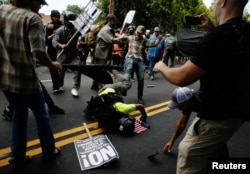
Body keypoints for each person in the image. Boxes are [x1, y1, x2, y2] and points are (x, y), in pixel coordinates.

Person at [153, 0, 250, 172]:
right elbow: (231, 52)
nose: (212, 5)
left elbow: (181, 77)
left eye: (214, 1)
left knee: (188, 154)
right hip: (237, 114)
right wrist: (214, 28)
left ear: (224, 1)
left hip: (216, 116)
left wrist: (162, 66)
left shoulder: (217, 37)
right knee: (215, 148)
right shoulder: (244, 31)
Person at [0, 0, 62, 164]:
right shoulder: (33, 19)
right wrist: (53, 64)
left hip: (5, 78)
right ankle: (49, 150)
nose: (40, 6)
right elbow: (39, 53)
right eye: (40, 2)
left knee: (19, 112)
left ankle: (17, 154)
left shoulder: (2, 10)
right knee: (41, 113)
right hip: (25, 81)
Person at [162, 87, 229, 158]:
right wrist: (171, 141)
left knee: (209, 133)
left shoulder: (204, 103)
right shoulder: (188, 103)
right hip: (209, 114)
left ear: (186, 102)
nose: (178, 108)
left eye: (179, 105)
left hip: (225, 115)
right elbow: (182, 123)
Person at [83, 70, 148, 135]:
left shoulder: (120, 109)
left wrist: (144, 117)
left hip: (108, 89)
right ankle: (113, 71)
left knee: (123, 83)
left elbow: (140, 106)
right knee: (125, 84)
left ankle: (113, 71)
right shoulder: (109, 122)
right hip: (102, 93)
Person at [122, 25, 162, 104]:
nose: (138, 34)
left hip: (139, 60)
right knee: (128, 73)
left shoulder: (144, 40)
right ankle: (123, 89)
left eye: (140, 33)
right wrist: (119, 36)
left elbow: (154, 44)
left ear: (143, 33)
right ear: (136, 32)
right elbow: (119, 39)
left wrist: (159, 39)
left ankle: (140, 97)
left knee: (141, 79)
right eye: (137, 32)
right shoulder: (130, 37)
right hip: (130, 57)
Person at [52, 12, 82, 97]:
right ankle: (60, 85)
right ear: (65, 21)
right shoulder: (60, 30)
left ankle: (75, 88)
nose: (72, 23)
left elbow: (85, 33)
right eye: (69, 21)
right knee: (61, 71)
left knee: (78, 69)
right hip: (62, 55)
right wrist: (61, 45)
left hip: (74, 55)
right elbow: (54, 41)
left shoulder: (77, 30)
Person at [91, 14, 121, 90]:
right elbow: (111, 40)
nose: (115, 22)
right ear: (109, 20)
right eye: (114, 21)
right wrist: (120, 38)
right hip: (101, 53)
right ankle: (100, 87)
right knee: (101, 70)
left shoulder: (109, 29)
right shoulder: (105, 30)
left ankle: (94, 84)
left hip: (104, 53)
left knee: (99, 69)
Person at [45, 10, 63, 94]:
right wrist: (54, 34)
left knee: (60, 67)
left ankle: (60, 84)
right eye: (54, 17)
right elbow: (47, 38)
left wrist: (55, 26)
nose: (56, 18)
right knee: (52, 67)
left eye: (57, 17)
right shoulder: (48, 26)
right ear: (52, 17)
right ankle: (55, 86)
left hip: (59, 47)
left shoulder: (60, 24)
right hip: (51, 49)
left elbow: (63, 26)